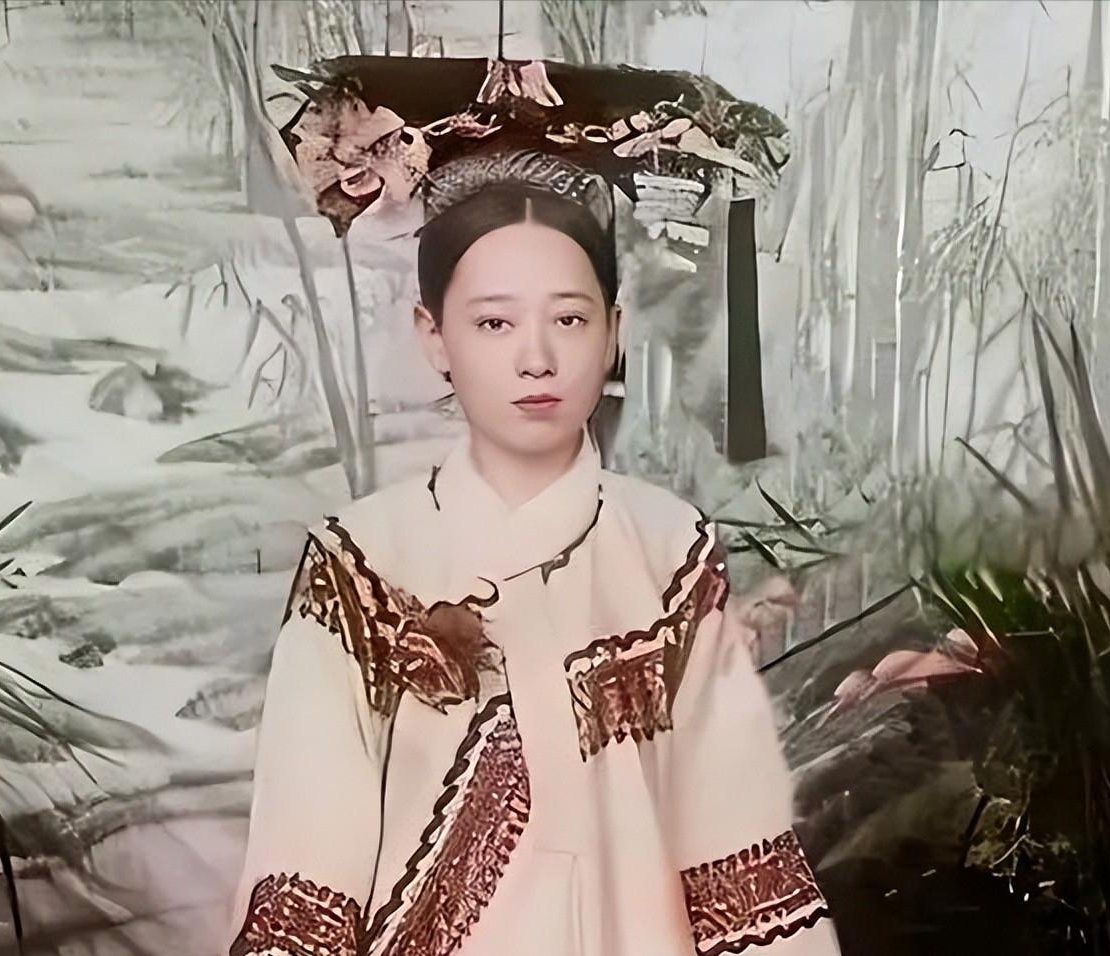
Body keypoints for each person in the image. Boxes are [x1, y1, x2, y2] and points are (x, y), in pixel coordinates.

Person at [226, 180, 841, 956]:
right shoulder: (363, 559)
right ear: (433, 335)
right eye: (494, 322)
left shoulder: (669, 549)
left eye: (570, 319)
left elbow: (731, 830)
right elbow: (308, 851)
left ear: (614, 331)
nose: (537, 359)